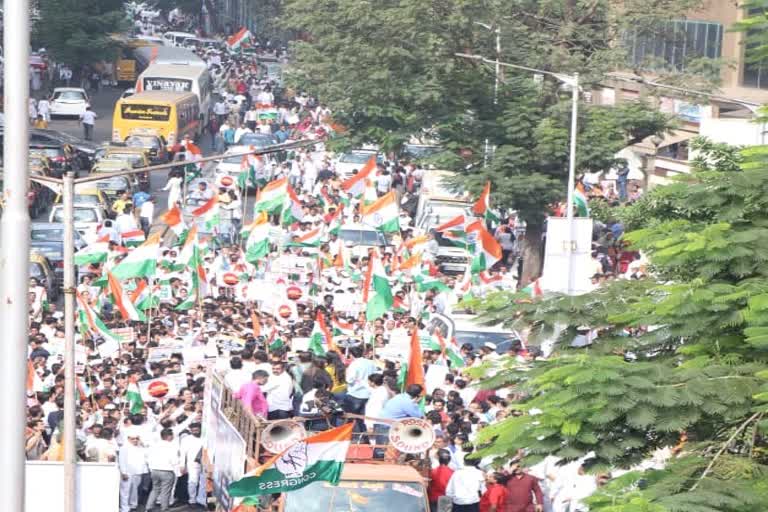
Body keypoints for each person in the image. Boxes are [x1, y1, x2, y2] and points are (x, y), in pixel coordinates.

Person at [146, 428, 179, 512]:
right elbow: (174, 461)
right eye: (172, 435)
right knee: (166, 491)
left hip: (155, 470)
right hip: (167, 471)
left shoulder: (155, 445)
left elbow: (148, 457)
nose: (173, 437)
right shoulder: (172, 446)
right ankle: (164, 508)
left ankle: (149, 507)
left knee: (155, 489)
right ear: (168, 436)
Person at [344, 346, 376, 430]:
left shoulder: (354, 364)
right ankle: (365, 439)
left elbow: (349, 380)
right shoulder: (371, 363)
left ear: (351, 355)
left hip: (355, 394)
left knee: (349, 418)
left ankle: (348, 437)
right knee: (363, 419)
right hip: (369, 394)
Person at [118, 433, 147, 512]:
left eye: (137, 438)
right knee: (125, 491)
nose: (135, 440)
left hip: (138, 472)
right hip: (127, 472)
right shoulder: (124, 447)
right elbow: (121, 460)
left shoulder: (140, 447)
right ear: (128, 439)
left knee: (134, 490)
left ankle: (133, 505)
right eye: (133, 438)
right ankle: (124, 508)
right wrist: (123, 472)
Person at [180, 423, 206, 507]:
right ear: (190, 431)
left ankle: (201, 500)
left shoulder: (205, 437)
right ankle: (192, 500)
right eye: (193, 430)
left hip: (205, 463)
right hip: (192, 464)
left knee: (203, 482)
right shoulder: (186, 439)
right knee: (192, 482)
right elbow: (183, 453)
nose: (195, 432)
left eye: (197, 430)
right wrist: (182, 465)